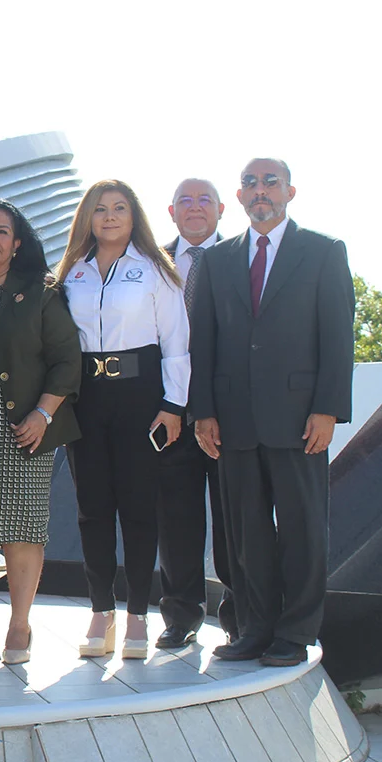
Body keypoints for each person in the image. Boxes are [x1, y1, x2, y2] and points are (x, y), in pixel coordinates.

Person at [190, 158, 354, 667]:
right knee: (245, 535)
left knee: (303, 530)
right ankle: (255, 629)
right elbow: (204, 342)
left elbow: (337, 335)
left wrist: (327, 408)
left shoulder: (324, 252)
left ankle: (294, 631)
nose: (260, 191)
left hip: (301, 418)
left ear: (290, 191)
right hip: (233, 420)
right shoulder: (216, 262)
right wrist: (204, 411)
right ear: (238, 197)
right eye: (250, 183)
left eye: (270, 182)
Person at [56, 179, 188, 660]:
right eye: (99, 209)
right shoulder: (71, 273)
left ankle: (136, 615)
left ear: (134, 217)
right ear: (86, 218)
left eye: (119, 208)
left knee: (137, 508)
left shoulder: (156, 271)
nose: (109, 217)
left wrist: (173, 406)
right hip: (86, 398)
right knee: (92, 509)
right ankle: (100, 612)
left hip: (140, 396)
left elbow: (176, 344)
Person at [0, 199, 81, 665]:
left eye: (2, 232)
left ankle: (20, 624)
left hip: (26, 428)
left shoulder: (40, 292)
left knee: (24, 529)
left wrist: (43, 414)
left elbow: (67, 360)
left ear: (17, 242)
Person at [155, 178, 237, 649]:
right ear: (171, 211)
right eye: (185, 200)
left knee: (234, 521)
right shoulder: (151, 263)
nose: (195, 207)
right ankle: (181, 616)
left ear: (222, 209)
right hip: (170, 413)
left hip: (228, 415)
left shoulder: (243, 259)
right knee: (177, 521)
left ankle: (240, 618)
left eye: (205, 199)